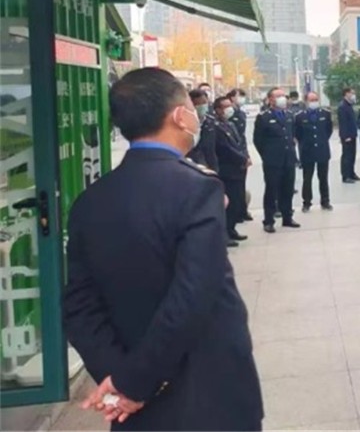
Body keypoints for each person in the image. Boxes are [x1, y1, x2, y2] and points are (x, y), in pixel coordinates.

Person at [63, 68, 262, 430]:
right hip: (207, 396)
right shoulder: (197, 190)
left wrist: (120, 378)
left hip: (135, 406)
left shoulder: (89, 202)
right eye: (192, 108)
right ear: (179, 116)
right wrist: (135, 382)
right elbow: (192, 296)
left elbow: (78, 306)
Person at [253, 88, 301, 233]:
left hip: (288, 158)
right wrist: (267, 155)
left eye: (283, 96)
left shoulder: (289, 115)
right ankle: (269, 220)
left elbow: (292, 135)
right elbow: (258, 140)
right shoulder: (263, 117)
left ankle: (287, 217)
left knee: (288, 189)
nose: (282, 98)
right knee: (271, 190)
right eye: (278, 96)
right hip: (273, 160)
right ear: (270, 99)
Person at [213, 96, 250, 245]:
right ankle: (225, 234)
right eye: (226, 106)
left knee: (237, 201)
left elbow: (240, 143)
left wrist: (245, 156)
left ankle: (232, 229)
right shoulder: (216, 127)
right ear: (218, 110)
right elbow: (225, 148)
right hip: (227, 169)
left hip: (238, 168)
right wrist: (242, 159)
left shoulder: (230, 124)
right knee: (228, 203)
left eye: (230, 105)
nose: (230, 109)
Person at [295, 91, 333, 212]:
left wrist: (322, 140)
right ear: (306, 101)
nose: (314, 102)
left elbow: (328, 130)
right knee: (307, 178)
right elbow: (298, 134)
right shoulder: (300, 116)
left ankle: (325, 201)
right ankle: (306, 203)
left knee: (323, 178)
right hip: (307, 150)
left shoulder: (325, 114)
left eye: (316, 99)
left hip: (322, 149)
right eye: (311, 100)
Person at [228, 88, 253, 222]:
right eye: (239, 96)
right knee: (234, 186)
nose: (241, 99)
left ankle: (243, 210)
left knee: (242, 184)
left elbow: (242, 136)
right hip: (232, 153)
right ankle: (236, 213)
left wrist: (246, 154)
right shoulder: (229, 113)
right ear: (232, 97)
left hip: (241, 150)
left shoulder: (241, 113)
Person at [187, 89, 219, 174]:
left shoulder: (210, 121)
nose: (203, 106)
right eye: (199, 104)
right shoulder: (186, 122)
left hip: (210, 164)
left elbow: (212, 148)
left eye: (204, 103)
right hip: (192, 166)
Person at [338, 87, 360, 183]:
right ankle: (346, 176)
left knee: (352, 155)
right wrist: (345, 136)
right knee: (347, 156)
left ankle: (351, 173)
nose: (353, 95)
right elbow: (343, 123)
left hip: (352, 134)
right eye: (352, 93)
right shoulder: (342, 106)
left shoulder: (349, 105)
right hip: (347, 136)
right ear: (346, 94)